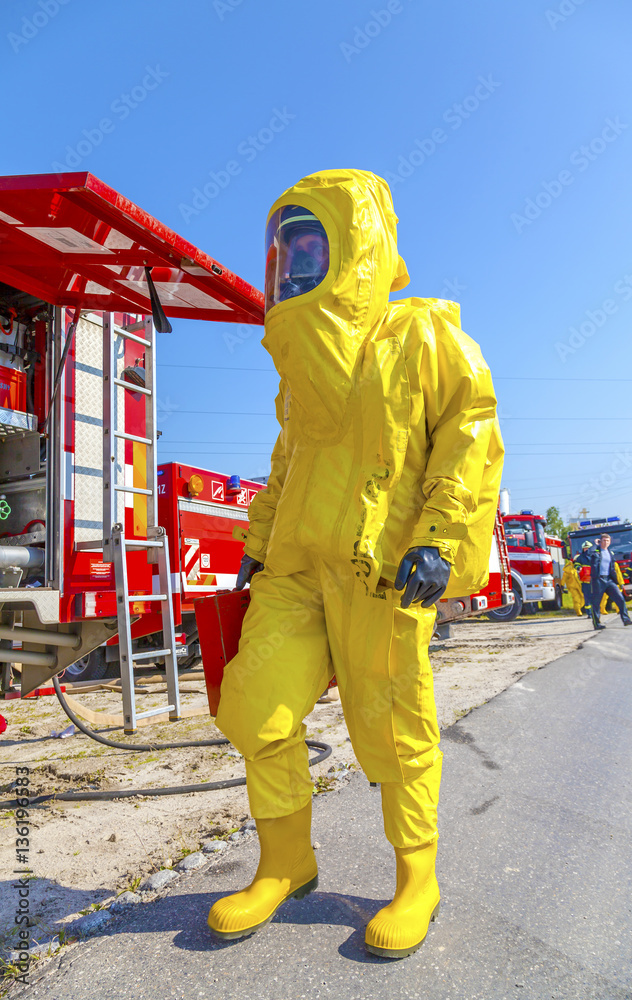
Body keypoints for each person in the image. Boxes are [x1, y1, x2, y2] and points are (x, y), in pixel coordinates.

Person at [207, 170, 504, 958]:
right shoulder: (299, 372)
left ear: (355, 246)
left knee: (394, 727)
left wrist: (438, 537)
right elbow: (285, 463)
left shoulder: (423, 336)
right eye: (287, 246)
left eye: (311, 243)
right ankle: (284, 864)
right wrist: (257, 548)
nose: (295, 262)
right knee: (254, 707)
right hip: (296, 567)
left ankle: (416, 880)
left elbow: (466, 431)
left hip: (382, 568)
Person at [580, 533, 632, 630]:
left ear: (610, 542)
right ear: (600, 541)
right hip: (598, 580)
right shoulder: (595, 552)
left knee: (620, 599)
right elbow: (587, 555)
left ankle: (626, 620)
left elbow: (613, 567)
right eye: (604, 540)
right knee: (596, 603)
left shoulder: (609, 552)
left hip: (609, 579)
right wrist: (595, 545)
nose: (605, 542)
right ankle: (597, 624)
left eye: (607, 541)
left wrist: (617, 580)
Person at [574, 541, 594, 617]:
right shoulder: (580, 557)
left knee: (595, 596)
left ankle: (595, 612)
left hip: (594, 580)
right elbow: (576, 564)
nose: (586, 550)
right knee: (587, 597)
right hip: (585, 581)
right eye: (585, 548)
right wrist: (578, 567)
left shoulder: (594, 556)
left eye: (587, 548)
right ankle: (589, 613)